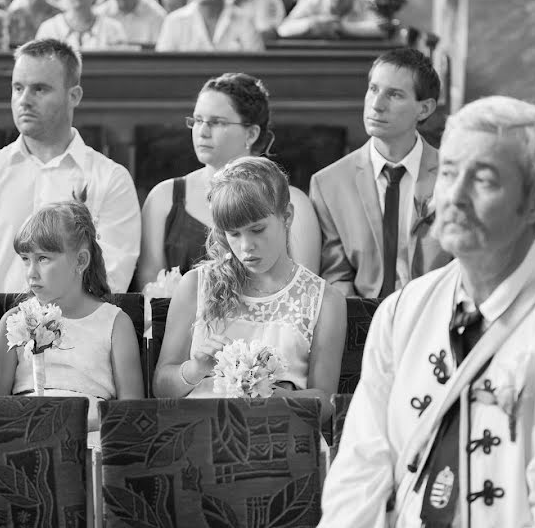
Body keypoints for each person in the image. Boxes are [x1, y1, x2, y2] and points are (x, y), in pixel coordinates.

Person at [319, 96, 535, 527]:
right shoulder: (404, 309)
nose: (454, 197)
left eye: (485, 180)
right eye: (450, 173)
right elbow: (360, 468)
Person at [0, 39, 140, 332]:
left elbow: (108, 274)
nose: (24, 99)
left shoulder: (111, 179)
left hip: (79, 341)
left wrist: (51, 331)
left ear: (74, 95)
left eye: (40, 89)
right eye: (18, 88)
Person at [153, 157, 345, 419]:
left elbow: (326, 404)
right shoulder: (195, 285)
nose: (246, 247)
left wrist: (264, 391)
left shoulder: (325, 300)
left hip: (280, 437)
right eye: (234, 233)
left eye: (257, 230)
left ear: (286, 216)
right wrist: (195, 368)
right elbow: (161, 389)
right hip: (198, 436)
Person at [138, 72, 321, 289]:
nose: (202, 132)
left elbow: (306, 289)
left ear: (251, 133)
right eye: (197, 121)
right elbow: (150, 292)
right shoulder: (163, 197)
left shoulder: (295, 203)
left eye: (217, 122)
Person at [0, 201, 144, 433]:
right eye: (26, 259)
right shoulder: (14, 320)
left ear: (80, 261)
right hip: (24, 435)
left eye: (43, 259)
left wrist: (70, 426)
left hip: (91, 438)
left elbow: (132, 411)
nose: (31, 272)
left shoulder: (115, 324)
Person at [311, 49, 450, 298]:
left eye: (394, 95)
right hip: (363, 321)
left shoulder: (452, 176)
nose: (376, 105)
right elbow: (337, 274)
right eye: (373, 89)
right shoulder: (328, 183)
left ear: (425, 109)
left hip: (436, 316)